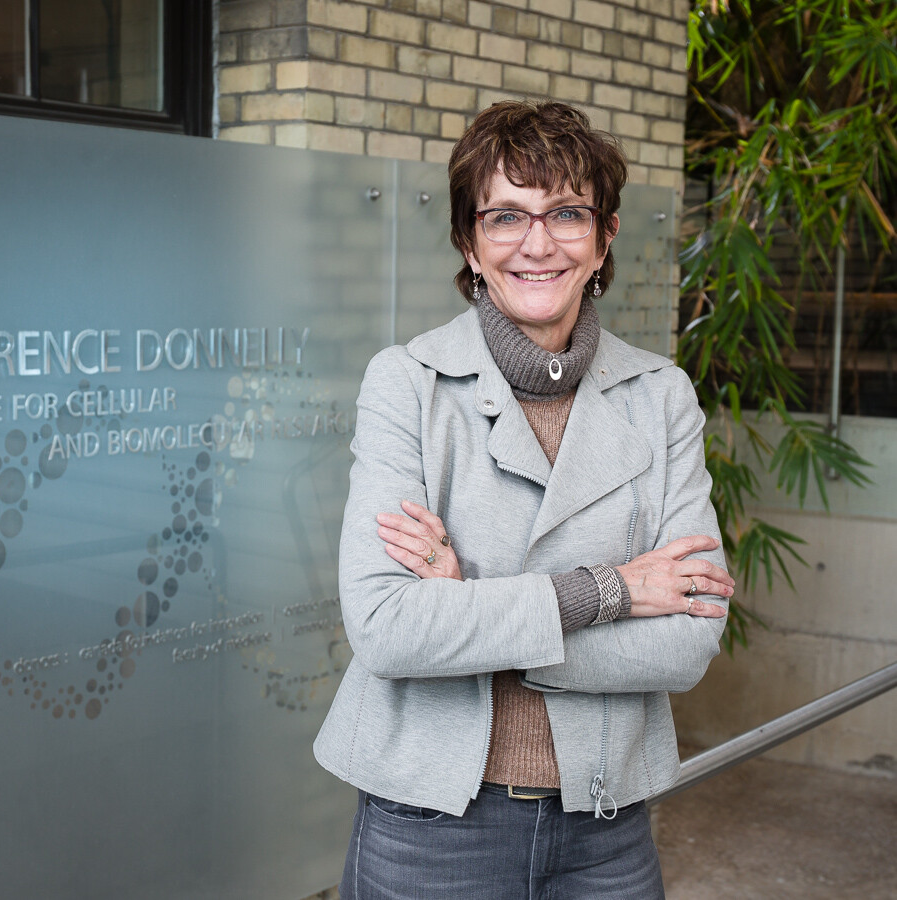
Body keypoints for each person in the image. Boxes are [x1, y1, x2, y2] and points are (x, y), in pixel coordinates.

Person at [313, 100, 734, 899]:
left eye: (566, 213)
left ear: (604, 236)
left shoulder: (660, 395)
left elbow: (685, 645)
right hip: (430, 822)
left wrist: (471, 617)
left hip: (605, 828)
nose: (536, 244)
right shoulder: (406, 382)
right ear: (469, 243)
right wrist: (611, 591)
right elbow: (388, 631)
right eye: (504, 216)